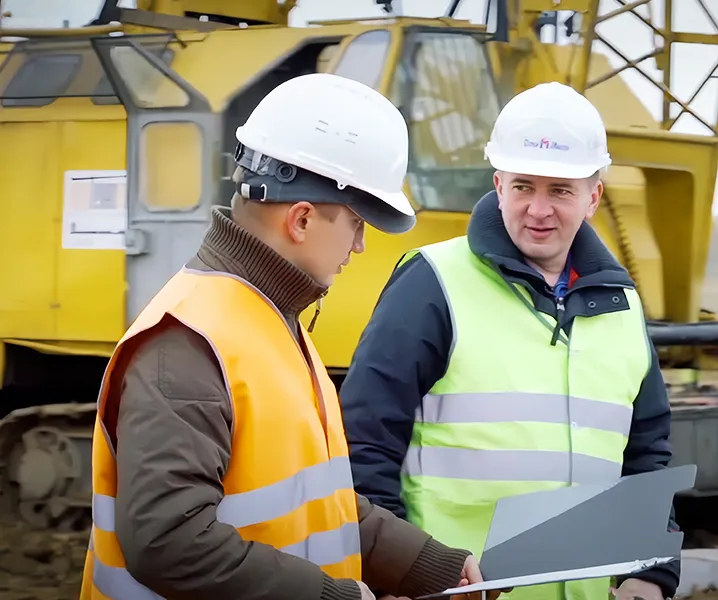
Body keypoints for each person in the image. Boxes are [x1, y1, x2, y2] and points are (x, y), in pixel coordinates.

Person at [79, 73, 495, 600]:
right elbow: (170, 541)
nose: (360, 246)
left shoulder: (271, 320)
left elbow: (316, 502)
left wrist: (428, 565)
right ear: (301, 220)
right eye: (356, 223)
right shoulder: (188, 343)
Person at [339, 81, 682, 600]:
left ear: (594, 196)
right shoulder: (433, 283)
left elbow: (647, 453)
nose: (538, 210)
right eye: (524, 186)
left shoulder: (623, 304)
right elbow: (364, 444)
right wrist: (393, 572)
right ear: (498, 185)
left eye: (561, 190)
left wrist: (651, 573)